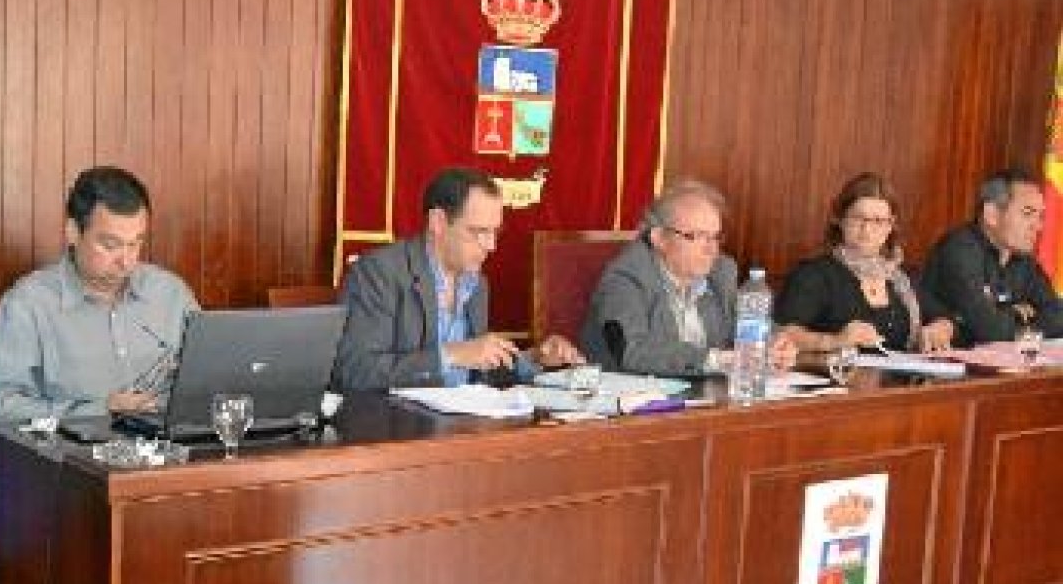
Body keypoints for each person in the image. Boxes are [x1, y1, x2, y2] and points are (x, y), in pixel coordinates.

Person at [0, 166, 200, 426]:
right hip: (71, 457)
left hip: (170, 451)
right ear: (73, 232)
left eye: (135, 243)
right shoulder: (28, 305)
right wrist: (100, 408)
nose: (126, 261)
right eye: (110, 245)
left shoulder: (170, 293)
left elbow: (213, 376)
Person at [332, 167, 584, 392]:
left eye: (495, 232)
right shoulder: (379, 274)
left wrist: (536, 359)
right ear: (438, 222)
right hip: (395, 432)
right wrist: (451, 355)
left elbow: (478, 371)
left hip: (462, 431)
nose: (492, 246)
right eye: (479, 232)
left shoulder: (476, 284)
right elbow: (354, 371)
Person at [581, 178, 796, 376]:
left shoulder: (721, 273)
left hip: (705, 398)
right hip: (631, 403)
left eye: (715, 237)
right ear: (659, 239)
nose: (711, 249)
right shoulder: (626, 278)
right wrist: (715, 360)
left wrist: (775, 341)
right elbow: (632, 350)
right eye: (696, 236)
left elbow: (747, 324)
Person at [775, 173, 955, 352]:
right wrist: (834, 341)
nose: (867, 229)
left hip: (901, 379)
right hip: (839, 378)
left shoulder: (902, 277)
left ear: (890, 226)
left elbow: (943, 318)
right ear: (839, 219)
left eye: (878, 221)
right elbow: (783, 333)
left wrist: (940, 329)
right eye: (858, 218)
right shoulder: (813, 275)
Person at [920, 167, 1063, 345]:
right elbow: (990, 331)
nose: (1038, 226)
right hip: (945, 365)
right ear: (992, 214)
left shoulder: (1023, 257)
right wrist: (1018, 313)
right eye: (1027, 213)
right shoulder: (959, 250)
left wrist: (1006, 318)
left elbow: (1058, 315)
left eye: (1040, 216)